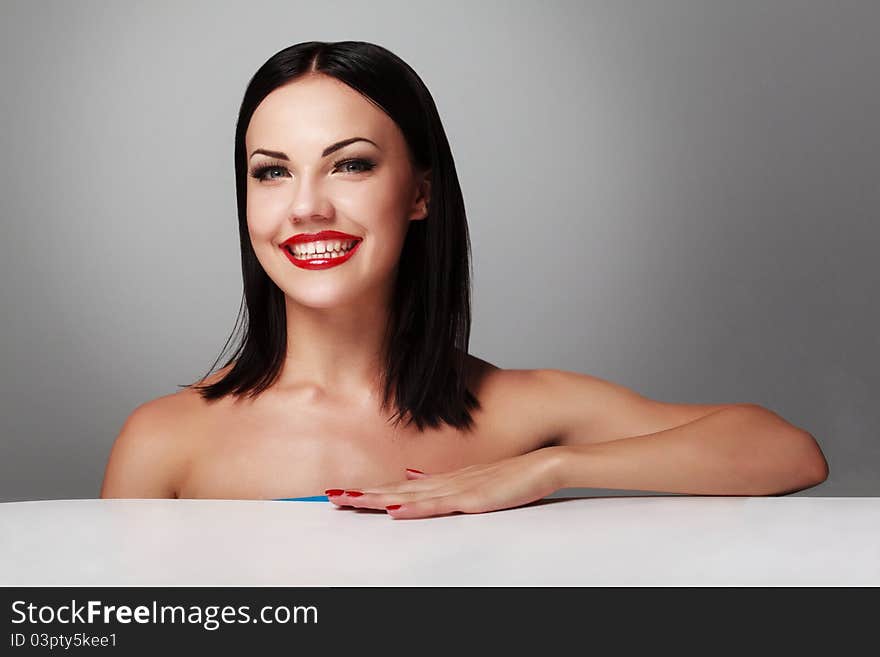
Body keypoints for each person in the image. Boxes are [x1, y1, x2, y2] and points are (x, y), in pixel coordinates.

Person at [100, 40, 829, 519]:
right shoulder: (164, 441)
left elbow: (786, 450)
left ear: (420, 193)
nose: (306, 206)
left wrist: (546, 468)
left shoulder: (520, 413)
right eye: (271, 172)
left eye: (350, 164)